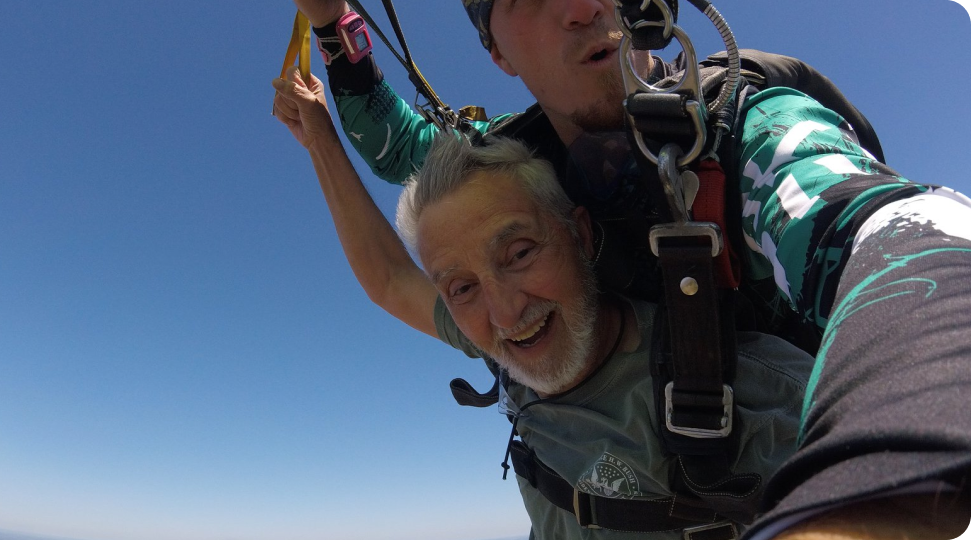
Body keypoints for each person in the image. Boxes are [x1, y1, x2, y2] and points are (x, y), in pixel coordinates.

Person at [278, 1, 971, 538]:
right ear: (497, 52)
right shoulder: (513, 174)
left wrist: (883, 491)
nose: (582, 6)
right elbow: (400, 151)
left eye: (521, 254)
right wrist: (332, 23)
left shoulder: (747, 134)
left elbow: (909, 241)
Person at [273, 67, 814, 538]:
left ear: (580, 235)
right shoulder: (498, 339)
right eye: (461, 287)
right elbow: (390, 280)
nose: (505, 313)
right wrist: (319, 137)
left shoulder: (759, 399)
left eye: (519, 253)